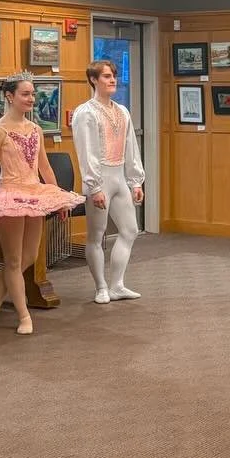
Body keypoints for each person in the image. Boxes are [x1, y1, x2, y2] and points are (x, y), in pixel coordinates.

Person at [0, 73, 84, 336]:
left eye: (32, 94)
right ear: (10, 96)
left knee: (29, 256)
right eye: (25, 94)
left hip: (35, 194)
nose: (31, 99)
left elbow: (45, 168)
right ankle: (24, 315)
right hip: (9, 197)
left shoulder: (36, 129)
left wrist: (59, 197)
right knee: (14, 260)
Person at [72, 59, 144, 304]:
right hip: (99, 180)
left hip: (119, 176)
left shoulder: (122, 111)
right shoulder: (86, 112)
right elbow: (87, 151)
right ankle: (101, 286)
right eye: (105, 76)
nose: (112, 79)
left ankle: (117, 284)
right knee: (96, 235)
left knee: (130, 230)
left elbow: (130, 146)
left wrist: (135, 181)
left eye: (113, 75)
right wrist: (94, 186)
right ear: (93, 80)